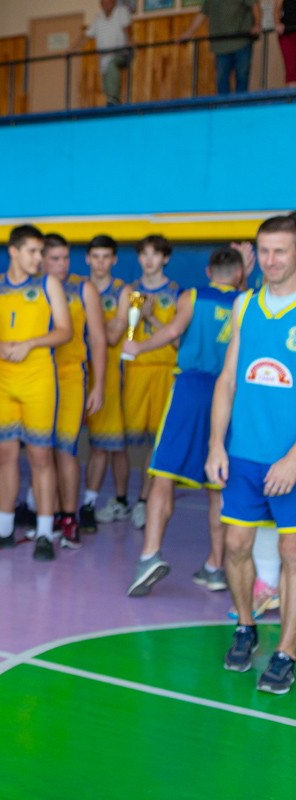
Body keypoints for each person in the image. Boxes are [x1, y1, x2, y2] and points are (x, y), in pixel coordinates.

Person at [207, 213, 296, 694]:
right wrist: (216, 443)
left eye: (281, 250)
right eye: (264, 251)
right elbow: (226, 380)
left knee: (292, 552)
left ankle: (286, 652)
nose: (270, 260)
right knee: (235, 546)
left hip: (292, 459)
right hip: (244, 454)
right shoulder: (246, 305)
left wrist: (294, 458)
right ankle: (246, 625)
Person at [126, 246, 243, 597]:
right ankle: (215, 567)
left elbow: (175, 332)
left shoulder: (192, 295)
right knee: (217, 486)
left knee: (163, 475)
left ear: (208, 271)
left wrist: (140, 347)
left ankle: (149, 556)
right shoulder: (246, 302)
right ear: (238, 274)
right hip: (229, 393)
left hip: (190, 391)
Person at [0, 225, 72, 561]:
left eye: (40, 252)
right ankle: (2, 528)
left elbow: (65, 331)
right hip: (1, 380)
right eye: (32, 252)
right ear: (14, 251)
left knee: (40, 458)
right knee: (3, 456)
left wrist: (31, 342)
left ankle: (46, 532)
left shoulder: (49, 284)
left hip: (38, 380)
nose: (39, 258)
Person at [17, 234, 106, 548]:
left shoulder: (83, 289)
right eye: (54, 258)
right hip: (36, 377)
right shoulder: (29, 289)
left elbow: (98, 339)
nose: (60, 264)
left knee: (65, 450)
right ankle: (48, 515)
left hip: (69, 378)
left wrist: (98, 385)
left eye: (65, 258)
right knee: (39, 452)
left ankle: (69, 517)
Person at [108, 235, 182, 529]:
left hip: (164, 371)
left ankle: (144, 500)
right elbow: (118, 334)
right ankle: (121, 499)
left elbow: (178, 343)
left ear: (165, 258)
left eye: (156, 254)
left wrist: (151, 319)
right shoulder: (129, 292)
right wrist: (130, 320)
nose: (149, 260)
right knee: (121, 439)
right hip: (133, 371)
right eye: (144, 254)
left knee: (157, 440)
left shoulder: (178, 293)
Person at [83, 235, 132, 529]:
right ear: (87, 259)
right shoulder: (78, 287)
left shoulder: (122, 291)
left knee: (109, 444)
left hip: (109, 373)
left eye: (106, 257)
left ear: (114, 260)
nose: (100, 262)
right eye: (96, 256)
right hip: (74, 368)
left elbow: (113, 336)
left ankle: (100, 502)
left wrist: (88, 315)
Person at [181, 0, 262, 95]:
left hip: (241, 42)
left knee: (242, 76)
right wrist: (188, 33)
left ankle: (241, 105)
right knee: (222, 79)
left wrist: (257, 25)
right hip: (220, 45)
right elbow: (202, 13)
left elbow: (255, 6)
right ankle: (224, 105)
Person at [72, 0, 134, 106]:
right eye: (103, 2)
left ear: (114, 2)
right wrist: (72, 49)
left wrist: (131, 41)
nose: (106, 4)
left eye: (108, 2)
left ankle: (114, 101)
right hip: (104, 58)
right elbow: (86, 35)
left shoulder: (121, 12)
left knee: (112, 65)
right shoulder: (98, 18)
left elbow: (127, 28)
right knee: (106, 83)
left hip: (122, 53)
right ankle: (112, 102)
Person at [277, 0, 296, 87]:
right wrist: (277, 23)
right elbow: (276, 9)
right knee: (291, 70)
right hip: (288, 34)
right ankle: (292, 99)